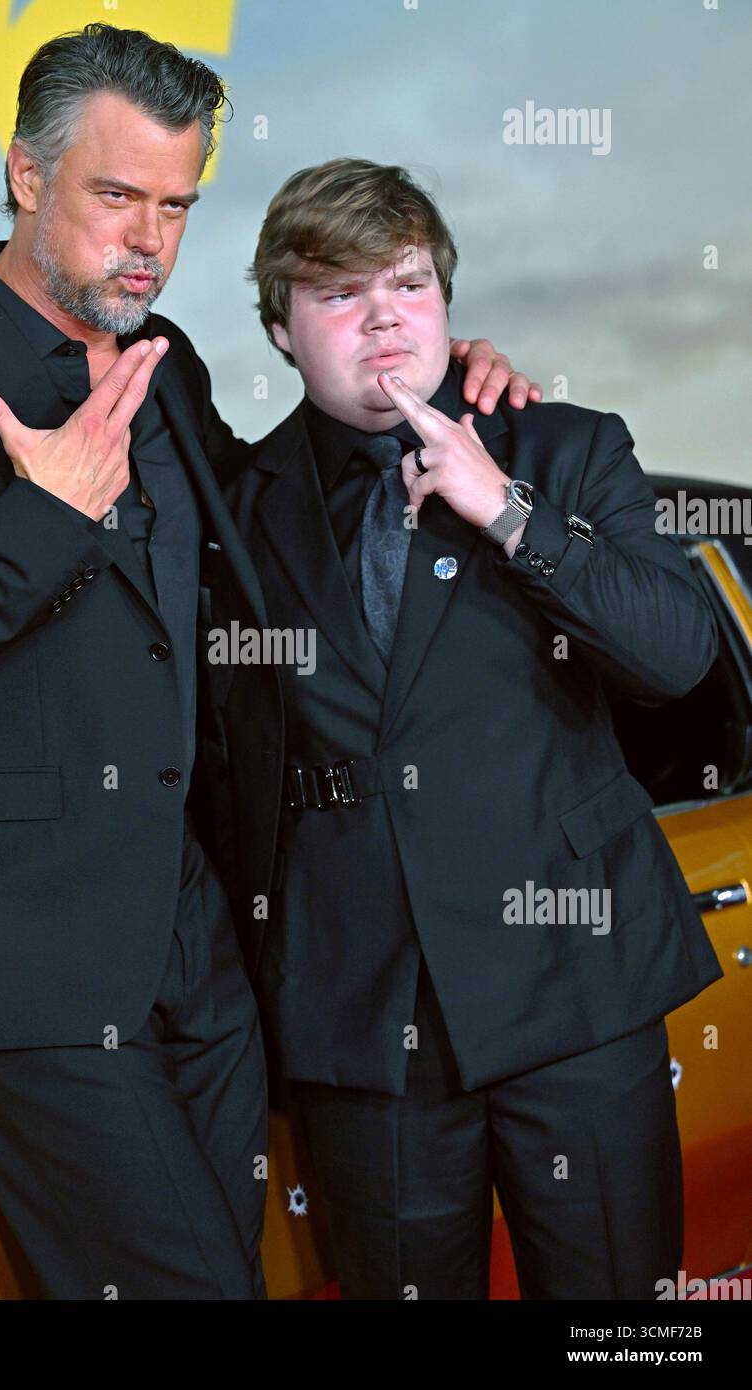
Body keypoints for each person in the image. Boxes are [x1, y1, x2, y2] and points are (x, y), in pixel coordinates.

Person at [0, 28, 531, 1299]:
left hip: (195, 951)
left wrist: (424, 388)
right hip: (16, 969)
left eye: (176, 205)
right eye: (116, 196)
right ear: (26, 177)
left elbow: (275, 532)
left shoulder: (164, 361)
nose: (148, 239)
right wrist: (44, 520)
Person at [206, 156, 724, 1300]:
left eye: (406, 284)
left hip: (572, 989)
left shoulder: (562, 448)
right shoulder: (233, 512)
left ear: (446, 300)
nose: (381, 316)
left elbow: (674, 656)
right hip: (361, 1014)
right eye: (338, 293)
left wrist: (503, 509)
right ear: (282, 330)